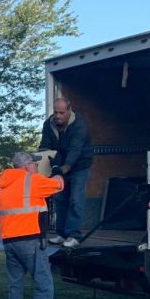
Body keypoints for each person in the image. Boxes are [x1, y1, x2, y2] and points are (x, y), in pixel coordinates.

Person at [0, 151, 65, 299]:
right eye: (35, 164)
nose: (37, 167)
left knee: (15, 286)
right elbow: (59, 184)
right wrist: (57, 169)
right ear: (28, 166)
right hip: (30, 241)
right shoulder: (32, 180)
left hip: (9, 242)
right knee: (44, 285)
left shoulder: (5, 184)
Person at [41, 96, 94, 248]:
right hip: (60, 167)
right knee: (59, 199)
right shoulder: (49, 124)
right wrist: (45, 164)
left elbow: (75, 150)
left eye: (62, 112)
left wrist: (65, 168)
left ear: (69, 111)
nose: (58, 116)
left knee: (76, 200)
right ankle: (61, 234)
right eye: (56, 112)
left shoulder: (79, 125)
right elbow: (45, 146)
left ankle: (73, 235)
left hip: (79, 166)